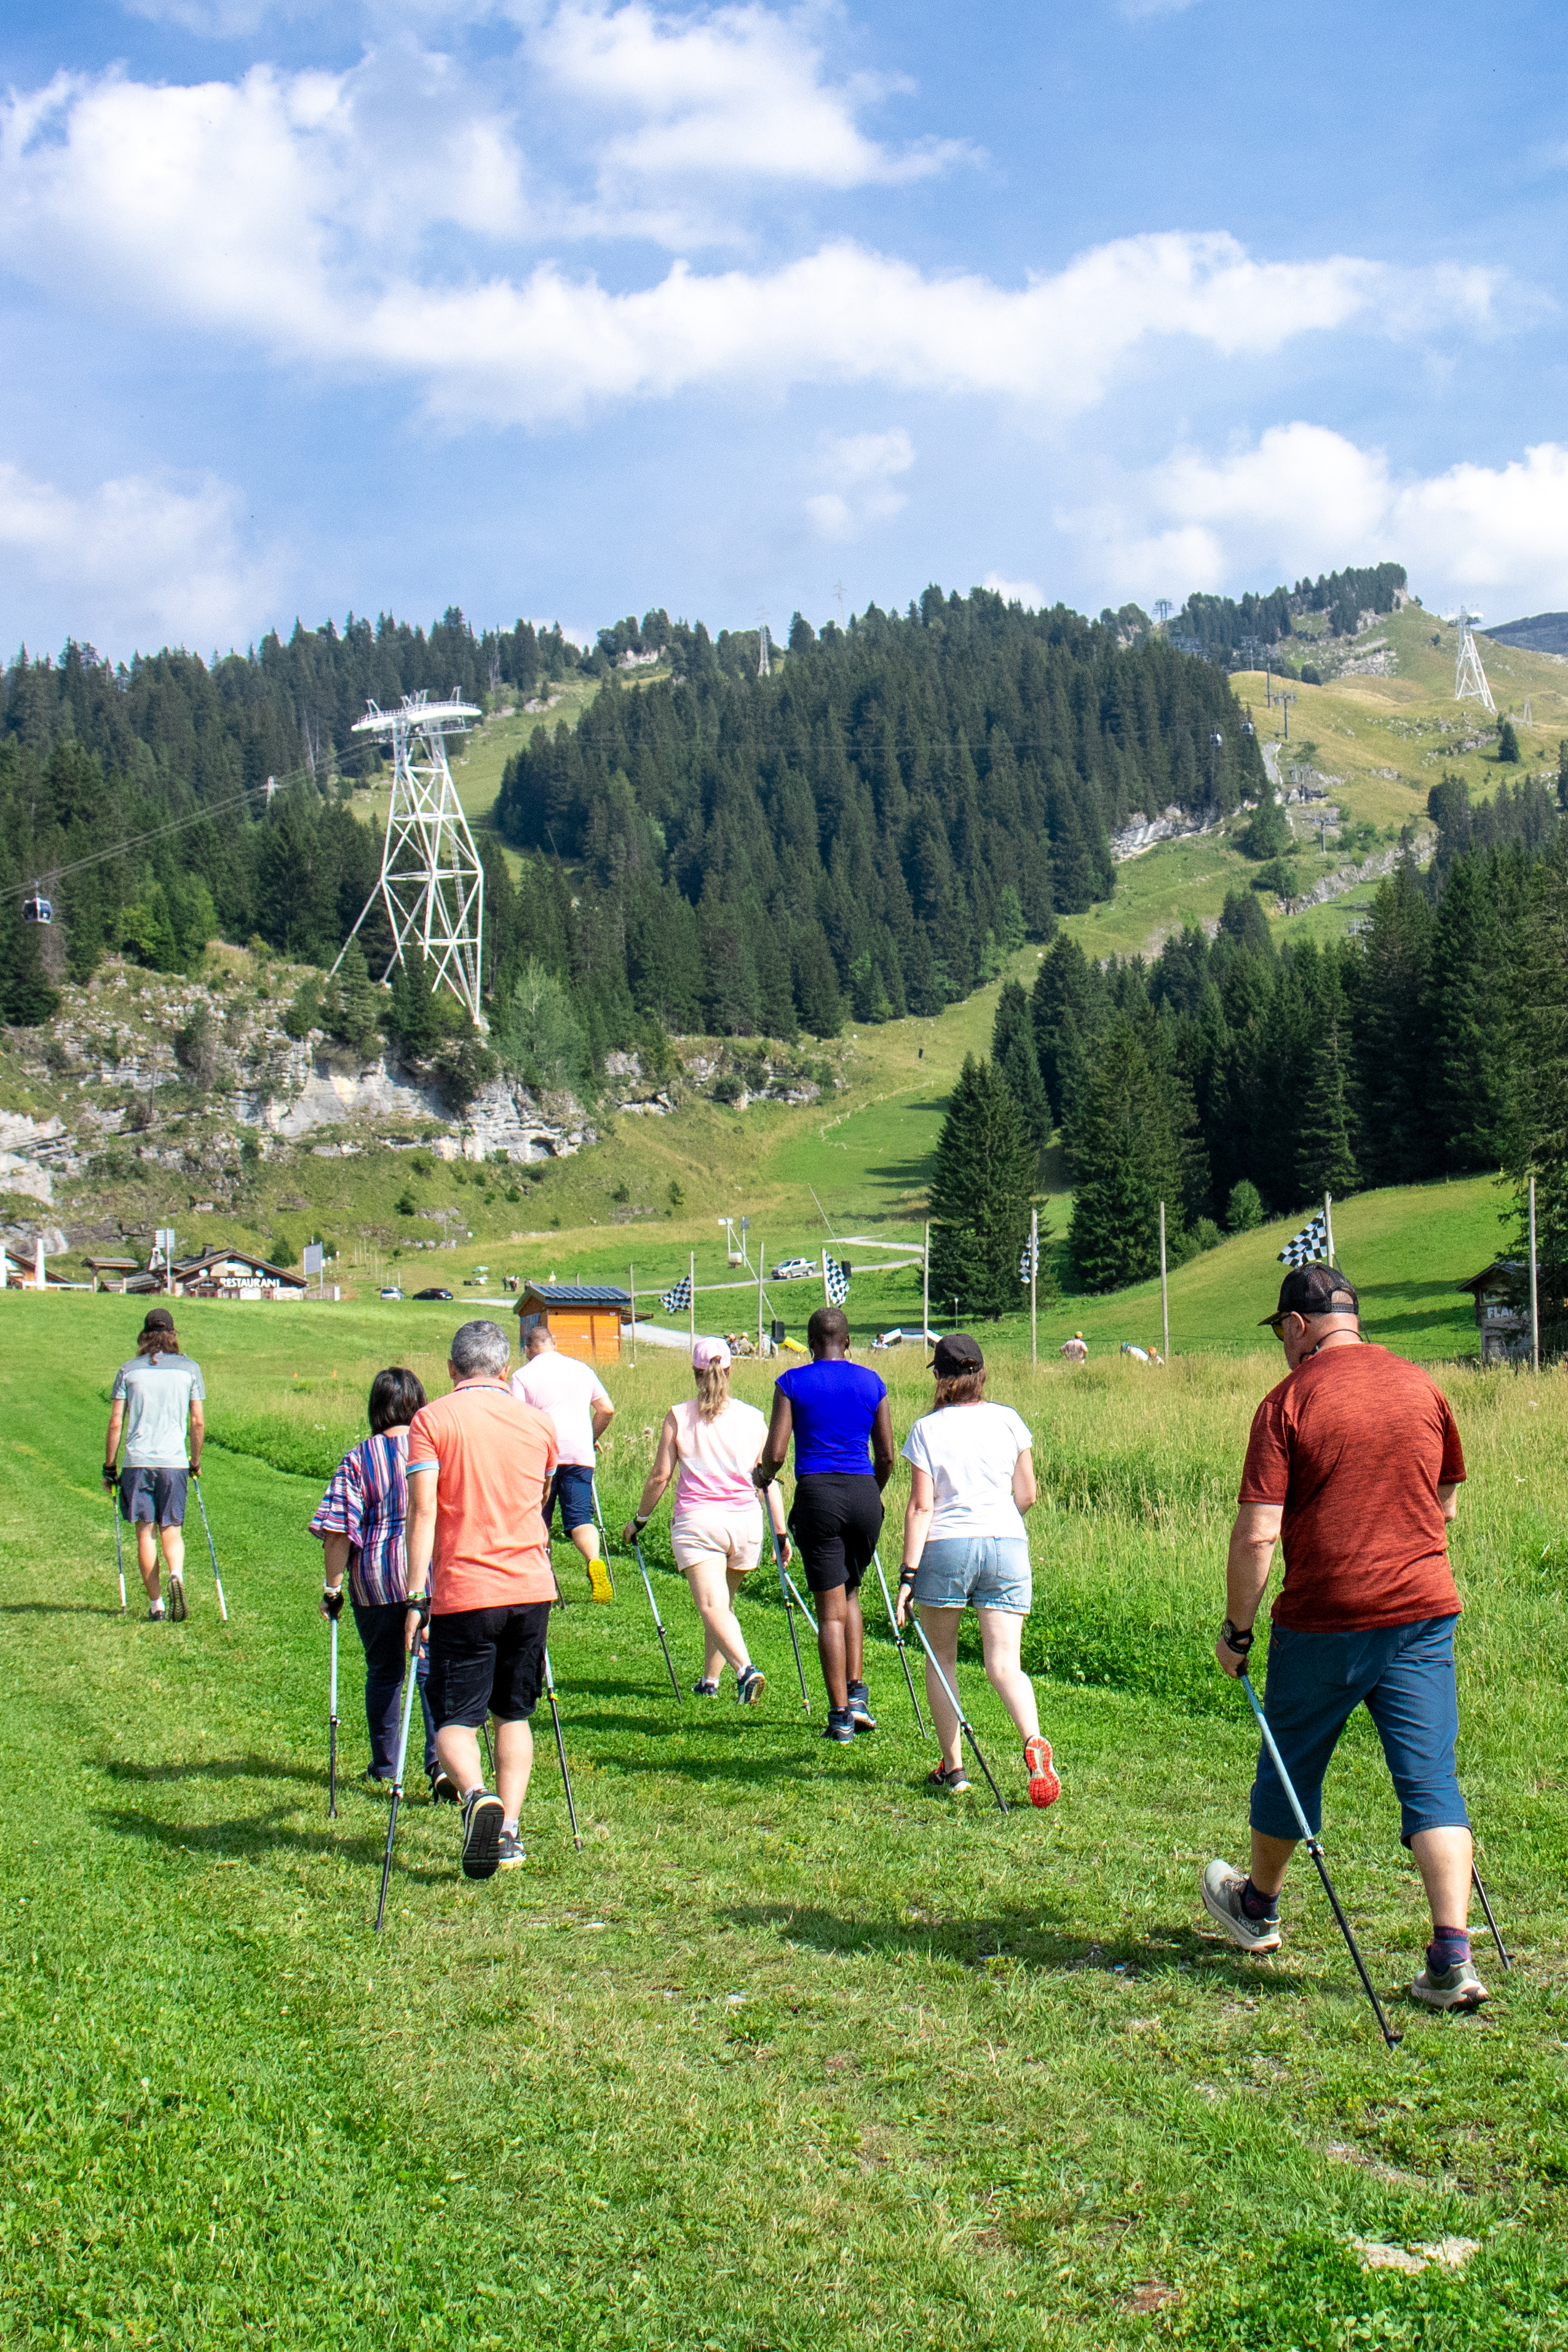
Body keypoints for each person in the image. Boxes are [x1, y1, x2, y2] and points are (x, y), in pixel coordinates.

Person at [1203, 1263, 1485, 2012]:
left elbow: (1258, 1534)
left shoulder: (1289, 1399)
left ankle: (1256, 1905)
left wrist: (1237, 1630)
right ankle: (1451, 1954)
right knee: (1431, 1781)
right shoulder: (1421, 1385)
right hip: (1424, 1611)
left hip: (1326, 1619)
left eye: (1281, 1335)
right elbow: (1448, 1500)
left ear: (1297, 1327)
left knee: (1290, 1767)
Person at [403, 1321, 558, 1879]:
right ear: (504, 1369)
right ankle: (510, 1831)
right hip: (530, 1585)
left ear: (451, 1368)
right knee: (513, 1712)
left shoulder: (432, 1420)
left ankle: (475, 1795)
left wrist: (415, 1592)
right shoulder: (540, 1424)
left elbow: (422, 1511)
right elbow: (540, 1499)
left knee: (455, 1718)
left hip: (466, 1588)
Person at [893, 1333, 1060, 1806]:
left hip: (947, 1543)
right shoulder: (1010, 1420)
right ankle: (1033, 1741)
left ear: (941, 1379)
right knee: (1005, 1663)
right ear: (982, 1373)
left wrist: (908, 1575)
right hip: (1007, 1540)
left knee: (943, 1658)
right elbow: (1027, 1494)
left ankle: (956, 1768)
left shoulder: (927, 1429)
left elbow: (921, 1507)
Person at [309, 1367, 453, 1802]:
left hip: (373, 1578)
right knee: (429, 1669)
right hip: (426, 1576)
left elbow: (338, 1529)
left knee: (384, 1670)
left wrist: (332, 1586)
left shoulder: (358, 1458)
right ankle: (440, 1762)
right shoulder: (435, 1450)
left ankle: (385, 1764)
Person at [754, 1304, 896, 1742]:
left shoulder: (792, 1381)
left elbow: (777, 1452)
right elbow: (887, 1454)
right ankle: (857, 1695)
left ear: (811, 1344)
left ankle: (840, 1718)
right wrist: (872, 1490)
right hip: (864, 1493)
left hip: (818, 1494)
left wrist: (762, 1476)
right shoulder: (872, 1381)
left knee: (829, 1611)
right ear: (848, 1342)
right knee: (851, 1590)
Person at [623, 1337, 787, 1701]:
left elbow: (660, 1477)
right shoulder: (753, 1417)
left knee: (712, 1607)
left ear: (696, 1374)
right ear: (730, 1370)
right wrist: (781, 1531)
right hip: (745, 1522)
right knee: (721, 1606)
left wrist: (640, 1520)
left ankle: (746, 1670)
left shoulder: (679, 1416)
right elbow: (769, 1479)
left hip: (699, 1522)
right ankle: (709, 1682)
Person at [103, 1307, 205, 1621]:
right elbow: (198, 1422)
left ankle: (157, 1605)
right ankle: (176, 1574)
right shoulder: (190, 1369)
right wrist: (195, 1461)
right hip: (174, 1463)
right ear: (173, 1334)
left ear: (144, 1335)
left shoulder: (128, 1370)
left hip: (137, 1463)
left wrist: (109, 1466)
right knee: (171, 1530)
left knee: (145, 1533)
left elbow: (116, 1423)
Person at [510, 1322, 615, 1602]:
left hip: (542, 1455)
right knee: (580, 1517)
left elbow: (518, 1420)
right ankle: (594, 1560)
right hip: (580, 1453)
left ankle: (543, 1583)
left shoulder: (522, 1376)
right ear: (553, 1344)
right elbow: (607, 1409)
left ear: (528, 1349)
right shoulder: (581, 1369)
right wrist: (590, 1436)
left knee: (539, 1517)